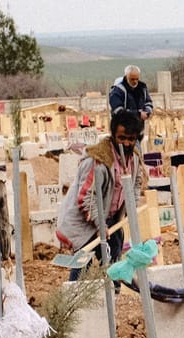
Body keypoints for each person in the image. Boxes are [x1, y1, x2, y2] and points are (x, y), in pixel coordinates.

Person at [57, 109, 140, 279]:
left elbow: (136, 183)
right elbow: (86, 198)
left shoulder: (135, 158)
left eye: (131, 139)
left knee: (113, 258)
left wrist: (131, 207)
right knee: (83, 262)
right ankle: (75, 297)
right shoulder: (97, 161)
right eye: (121, 138)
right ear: (113, 136)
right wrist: (100, 225)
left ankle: (112, 292)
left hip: (112, 218)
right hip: (85, 220)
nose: (126, 144)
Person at [108, 66, 153, 133]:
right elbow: (118, 111)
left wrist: (147, 112)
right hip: (122, 128)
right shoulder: (118, 90)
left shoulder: (142, 87)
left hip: (138, 127)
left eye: (137, 79)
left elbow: (148, 102)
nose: (135, 81)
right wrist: (138, 114)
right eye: (132, 79)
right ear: (126, 77)